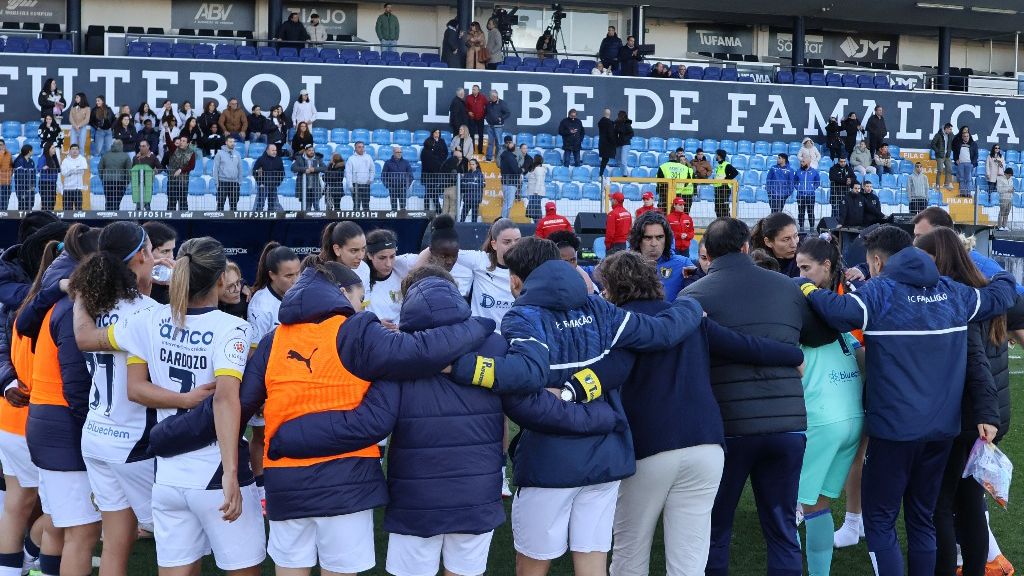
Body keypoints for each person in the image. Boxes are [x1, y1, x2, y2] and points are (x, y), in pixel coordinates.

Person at [151, 257, 494, 576]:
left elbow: (233, 404)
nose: (363, 308)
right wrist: (479, 326)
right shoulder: (358, 331)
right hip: (347, 485)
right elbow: (421, 352)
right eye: (361, 299)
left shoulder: (274, 339)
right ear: (343, 293)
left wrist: (165, 436)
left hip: (286, 483)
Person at [445, 237, 709, 576]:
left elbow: (526, 374)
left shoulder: (523, 315)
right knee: (591, 561)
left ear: (515, 280)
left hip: (550, 459)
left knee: (532, 565)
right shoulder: (599, 307)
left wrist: (459, 366)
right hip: (606, 456)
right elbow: (664, 331)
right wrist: (689, 304)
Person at [799, 225, 1015, 576]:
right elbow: (1003, 295)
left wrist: (805, 285)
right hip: (941, 432)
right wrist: (991, 266)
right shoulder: (952, 292)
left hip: (893, 432)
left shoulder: (879, 293)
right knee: (922, 519)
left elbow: (834, 310)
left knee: (881, 521)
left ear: (878, 263)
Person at [587, 250, 803, 576]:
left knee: (630, 556)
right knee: (688, 563)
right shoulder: (688, 317)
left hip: (649, 448)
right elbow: (745, 346)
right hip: (706, 446)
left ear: (614, 288)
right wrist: (793, 355)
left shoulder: (617, 325)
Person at [71, 236, 267, 576]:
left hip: (168, 474)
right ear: (221, 278)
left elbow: (88, 340)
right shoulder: (232, 327)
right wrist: (232, 474)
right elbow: (224, 399)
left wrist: (78, 295)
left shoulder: (151, 319)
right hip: (214, 473)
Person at [681, 217, 838, 576]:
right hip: (787, 426)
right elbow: (819, 335)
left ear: (708, 253)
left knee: (715, 529)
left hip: (728, 429)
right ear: (746, 247)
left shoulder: (693, 296)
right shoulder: (786, 287)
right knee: (782, 530)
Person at [911, 228, 1018, 576]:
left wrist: (984, 413)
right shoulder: (989, 290)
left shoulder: (958, 298)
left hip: (967, 417)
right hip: (988, 415)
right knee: (968, 499)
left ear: (937, 258)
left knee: (940, 504)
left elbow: (976, 363)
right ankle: (973, 569)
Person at [14, 224, 103, 576]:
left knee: (60, 522)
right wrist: (95, 426)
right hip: (59, 426)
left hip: (46, 423)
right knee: (81, 531)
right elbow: (76, 385)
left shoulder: (53, 295)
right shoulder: (69, 306)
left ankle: (34, 568)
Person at [791, 233, 865, 576]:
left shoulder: (803, 323)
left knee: (799, 505)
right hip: (854, 418)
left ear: (826, 265)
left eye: (806, 268)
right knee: (817, 505)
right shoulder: (843, 323)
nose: (801, 274)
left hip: (822, 421)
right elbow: (864, 359)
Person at [629, 211, 697, 300]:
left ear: (667, 239)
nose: (654, 244)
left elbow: (698, 298)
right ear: (638, 240)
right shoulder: (627, 266)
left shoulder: (682, 265)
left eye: (659, 237)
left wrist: (697, 274)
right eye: (647, 238)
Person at [750, 212, 801, 277]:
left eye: (796, 236)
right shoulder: (758, 268)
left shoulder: (809, 259)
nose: (794, 244)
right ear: (768, 242)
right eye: (786, 239)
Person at [213, 136, 244, 211]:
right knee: (220, 204)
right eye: (230, 142)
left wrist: (239, 181)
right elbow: (215, 169)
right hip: (223, 182)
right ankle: (219, 220)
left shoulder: (237, 154)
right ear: (226, 142)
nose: (233, 143)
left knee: (234, 205)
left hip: (234, 183)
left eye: (233, 142)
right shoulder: (219, 153)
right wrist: (216, 182)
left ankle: (233, 221)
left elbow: (240, 168)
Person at [165, 135, 196, 211]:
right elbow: (168, 142)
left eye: (183, 141)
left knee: (183, 203)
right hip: (172, 181)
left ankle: (184, 221)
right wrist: (166, 130)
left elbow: (192, 166)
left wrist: (181, 170)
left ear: (188, 144)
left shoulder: (191, 153)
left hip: (183, 182)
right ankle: (170, 221)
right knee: (171, 203)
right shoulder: (174, 149)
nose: (181, 142)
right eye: (181, 140)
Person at [291, 145, 326, 210]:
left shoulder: (317, 158)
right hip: (304, 188)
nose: (311, 152)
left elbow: (325, 168)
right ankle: (306, 220)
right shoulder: (299, 158)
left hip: (315, 187)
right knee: (306, 208)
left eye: (312, 150)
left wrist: (315, 169)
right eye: (309, 150)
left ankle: (318, 220)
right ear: (305, 151)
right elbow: (293, 168)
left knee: (317, 207)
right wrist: (304, 169)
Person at [252, 143, 285, 212]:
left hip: (273, 185)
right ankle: (258, 219)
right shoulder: (261, 159)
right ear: (267, 151)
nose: (274, 152)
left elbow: (282, 173)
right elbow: (254, 171)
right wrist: (260, 183)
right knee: (260, 204)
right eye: (272, 150)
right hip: (263, 185)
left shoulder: (279, 160)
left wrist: (277, 183)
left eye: (275, 150)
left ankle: (271, 220)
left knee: (272, 205)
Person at [345, 141, 375, 212]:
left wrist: (371, 179)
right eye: (359, 147)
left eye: (362, 147)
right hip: (355, 185)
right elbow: (348, 173)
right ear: (355, 148)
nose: (361, 149)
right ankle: (355, 222)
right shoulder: (351, 159)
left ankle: (366, 222)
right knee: (356, 205)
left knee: (366, 205)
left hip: (366, 184)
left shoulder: (368, 157)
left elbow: (372, 169)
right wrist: (350, 185)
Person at [381, 146, 413, 212]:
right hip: (392, 187)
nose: (399, 153)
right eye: (397, 152)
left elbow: (410, 175)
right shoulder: (387, 163)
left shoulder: (406, 163)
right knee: (393, 206)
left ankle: (403, 219)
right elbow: (383, 175)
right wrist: (388, 185)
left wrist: (407, 185)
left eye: (400, 152)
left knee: (403, 206)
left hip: (402, 187)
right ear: (393, 153)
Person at [951, 126, 979, 198]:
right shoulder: (958, 144)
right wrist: (956, 159)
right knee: (961, 179)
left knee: (969, 179)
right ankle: (963, 193)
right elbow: (955, 152)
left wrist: (972, 164)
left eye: (967, 136)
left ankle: (969, 193)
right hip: (960, 164)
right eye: (964, 136)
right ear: (962, 137)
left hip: (969, 164)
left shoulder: (973, 144)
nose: (966, 137)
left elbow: (976, 155)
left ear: (969, 136)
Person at [794, 156, 821, 230]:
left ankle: (812, 227)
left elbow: (817, 182)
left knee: (811, 211)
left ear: (808, 163)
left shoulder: (814, 172)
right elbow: (795, 182)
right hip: (801, 195)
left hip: (810, 195)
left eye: (803, 162)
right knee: (801, 212)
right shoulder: (798, 171)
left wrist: (812, 189)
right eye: (801, 161)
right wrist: (799, 188)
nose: (801, 163)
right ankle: (801, 227)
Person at [484, 90, 510, 162]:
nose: (489, 97)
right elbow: (486, 112)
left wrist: (501, 118)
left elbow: (508, 113)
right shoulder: (488, 103)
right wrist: (487, 118)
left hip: (498, 126)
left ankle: (498, 157)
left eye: (490, 96)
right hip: (490, 126)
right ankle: (489, 157)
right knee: (490, 142)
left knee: (498, 143)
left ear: (494, 96)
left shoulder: (502, 103)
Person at [498, 137, 521, 218]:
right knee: (508, 203)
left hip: (506, 182)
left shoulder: (505, 156)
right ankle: (503, 218)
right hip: (510, 182)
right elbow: (516, 170)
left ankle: (505, 218)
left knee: (507, 202)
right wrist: (521, 170)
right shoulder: (510, 158)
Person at [59, 144, 87, 211]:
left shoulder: (82, 159)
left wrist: (70, 170)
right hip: (67, 188)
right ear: (70, 150)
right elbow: (64, 173)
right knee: (67, 210)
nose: (75, 151)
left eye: (76, 149)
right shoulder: (65, 160)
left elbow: (84, 168)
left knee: (79, 210)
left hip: (78, 188)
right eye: (73, 149)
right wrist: (76, 168)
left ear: (79, 150)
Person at [713, 149, 739, 218]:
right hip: (718, 188)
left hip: (724, 188)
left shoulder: (726, 165)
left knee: (724, 208)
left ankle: (728, 224)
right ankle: (720, 223)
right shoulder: (719, 165)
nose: (715, 156)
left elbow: (735, 172)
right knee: (718, 208)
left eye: (716, 154)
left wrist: (726, 180)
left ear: (719, 156)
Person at [35, 144, 60, 212]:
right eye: (52, 148)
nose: (54, 149)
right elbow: (38, 169)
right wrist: (44, 168)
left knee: (52, 202)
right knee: (46, 203)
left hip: (53, 183)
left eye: (54, 148)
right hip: (45, 183)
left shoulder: (54, 158)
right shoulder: (43, 157)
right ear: (48, 149)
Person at [931, 123, 954, 190]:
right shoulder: (938, 135)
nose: (951, 131)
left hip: (947, 155)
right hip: (940, 156)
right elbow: (933, 144)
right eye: (950, 129)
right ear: (946, 128)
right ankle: (937, 184)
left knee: (949, 169)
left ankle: (946, 184)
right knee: (940, 170)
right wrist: (938, 151)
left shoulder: (951, 135)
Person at [12, 146, 36, 212]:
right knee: (23, 206)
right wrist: (24, 188)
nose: (33, 151)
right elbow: (20, 177)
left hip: (30, 189)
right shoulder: (20, 161)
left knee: (30, 205)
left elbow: (33, 174)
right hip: (22, 189)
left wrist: (33, 185)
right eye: (32, 150)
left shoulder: (31, 161)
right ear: (29, 151)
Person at [465, 85, 487, 155]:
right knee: (471, 134)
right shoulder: (468, 97)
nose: (473, 91)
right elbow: (465, 107)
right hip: (472, 119)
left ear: (478, 90)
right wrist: (468, 112)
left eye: (475, 90)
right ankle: (472, 149)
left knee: (481, 135)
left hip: (480, 118)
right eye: (473, 89)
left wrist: (484, 114)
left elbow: (487, 106)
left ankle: (480, 150)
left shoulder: (483, 97)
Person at [524, 154, 547, 221]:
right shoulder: (536, 169)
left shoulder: (538, 169)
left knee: (536, 210)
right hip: (535, 192)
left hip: (536, 192)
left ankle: (538, 223)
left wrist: (536, 191)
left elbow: (539, 181)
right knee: (536, 209)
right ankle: (537, 223)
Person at [613, 111, 634, 175]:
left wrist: (624, 139)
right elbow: (615, 134)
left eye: (619, 115)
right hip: (618, 143)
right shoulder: (616, 124)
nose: (618, 116)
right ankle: (621, 173)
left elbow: (631, 133)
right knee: (618, 160)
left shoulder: (627, 124)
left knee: (623, 160)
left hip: (626, 143)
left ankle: (625, 175)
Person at [597, 109, 616, 177]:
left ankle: (601, 173)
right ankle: (601, 174)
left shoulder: (601, 122)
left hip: (602, 143)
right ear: (610, 114)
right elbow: (610, 134)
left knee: (604, 159)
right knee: (605, 159)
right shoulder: (610, 123)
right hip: (608, 144)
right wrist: (614, 142)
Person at [0, 140, 11, 206]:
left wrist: (10, 174)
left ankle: (5, 215)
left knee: (6, 201)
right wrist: (1, 153)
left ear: (4, 145)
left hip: (7, 182)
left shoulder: (8, 154)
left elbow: (11, 166)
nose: (0, 146)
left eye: (1, 145)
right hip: (0, 182)